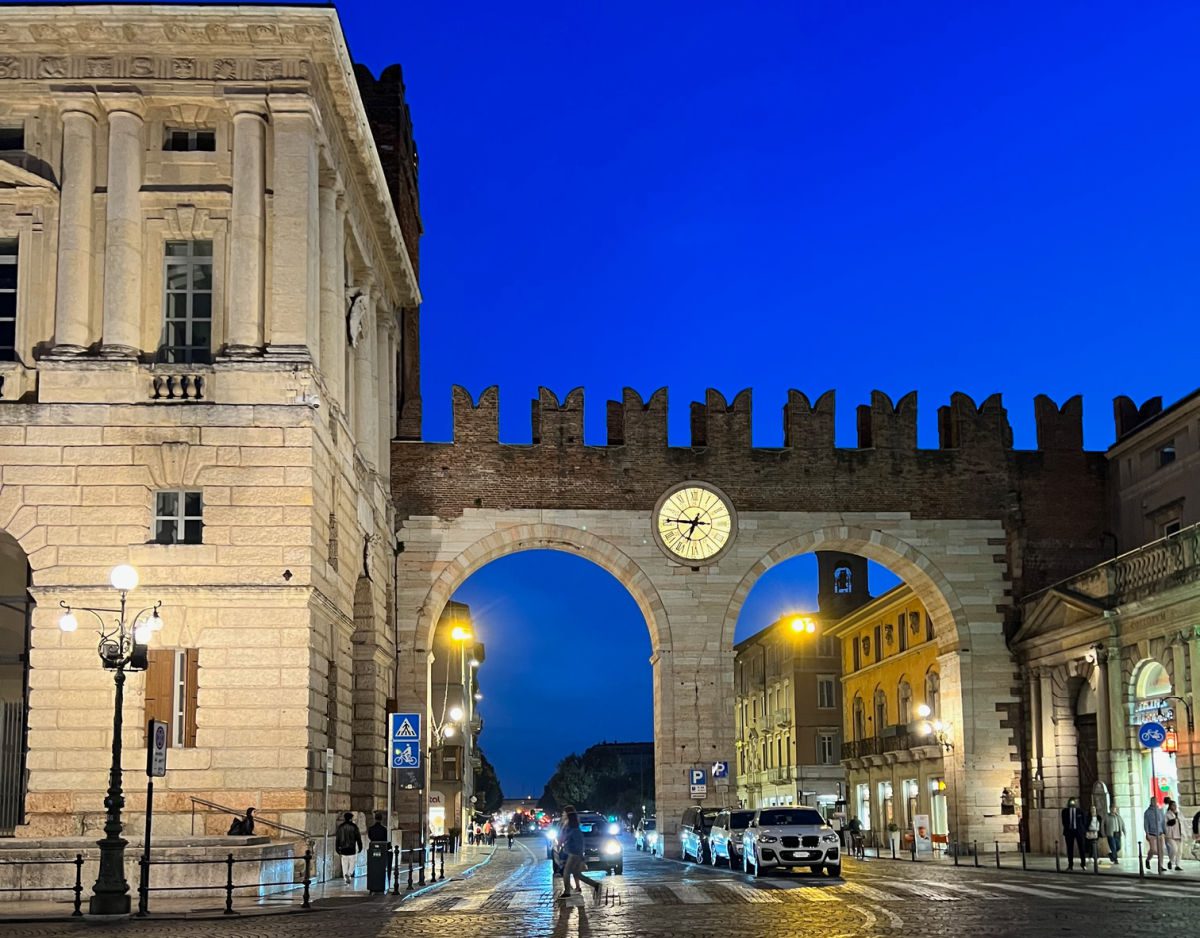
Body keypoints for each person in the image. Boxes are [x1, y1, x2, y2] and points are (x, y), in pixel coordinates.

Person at [558, 810, 601, 902]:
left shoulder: (575, 830)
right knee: (577, 874)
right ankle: (595, 885)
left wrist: (580, 856)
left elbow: (579, 844)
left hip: (574, 854)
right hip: (573, 853)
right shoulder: (570, 829)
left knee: (566, 872)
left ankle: (567, 892)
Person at [335, 812, 363, 885]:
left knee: (344, 864)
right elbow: (358, 838)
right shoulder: (354, 827)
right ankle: (349, 873)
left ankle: (346, 878)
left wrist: (337, 848)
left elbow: (337, 839)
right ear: (351, 818)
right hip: (351, 849)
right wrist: (360, 847)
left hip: (343, 849)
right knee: (352, 863)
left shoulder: (340, 827)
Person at [1060, 797, 1087, 871]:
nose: (1072, 803)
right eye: (1071, 802)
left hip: (1079, 832)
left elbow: (1084, 822)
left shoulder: (1080, 811)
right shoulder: (1065, 811)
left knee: (1081, 848)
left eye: (1074, 802)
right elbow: (1064, 822)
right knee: (1069, 849)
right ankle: (1070, 865)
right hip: (1069, 832)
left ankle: (1083, 864)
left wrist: (1083, 830)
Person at [1144, 797, 1166, 874]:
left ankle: (1161, 865)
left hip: (1160, 833)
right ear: (1151, 802)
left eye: (1156, 801)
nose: (1155, 802)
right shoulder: (1147, 812)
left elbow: (1163, 822)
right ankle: (1148, 859)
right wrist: (1147, 833)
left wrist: (1165, 832)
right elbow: (1146, 824)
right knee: (1153, 850)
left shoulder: (1160, 811)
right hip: (1152, 833)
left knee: (1161, 851)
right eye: (1153, 801)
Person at [1164, 797, 1184, 870]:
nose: (1175, 807)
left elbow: (1183, 823)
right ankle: (1171, 861)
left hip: (1179, 834)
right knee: (1174, 849)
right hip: (1171, 835)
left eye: (1175, 805)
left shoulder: (1179, 813)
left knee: (1179, 851)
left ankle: (1178, 865)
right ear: (1170, 806)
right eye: (1173, 805)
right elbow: (1165, 824)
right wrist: (1170, 822)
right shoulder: (1167, 814)